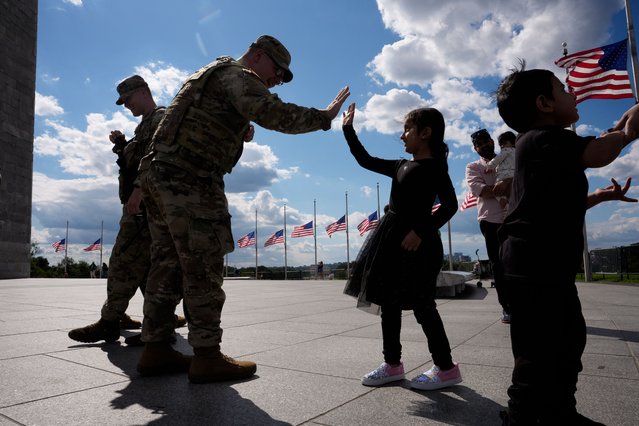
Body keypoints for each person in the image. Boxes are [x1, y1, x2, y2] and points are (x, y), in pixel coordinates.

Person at [135, 35, 350, 383]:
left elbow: (195, 119)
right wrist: (324, 117)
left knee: (167, 263)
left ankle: (155, 348)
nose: (277, 80)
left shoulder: (213, 72)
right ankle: (206, 355)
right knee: (204, 264)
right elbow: (274, 113)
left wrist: (235, 129)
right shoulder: (239, 75)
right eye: (278, 72)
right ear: (258, 56)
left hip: (160, 172)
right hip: (190, 177)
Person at [495, 63, 639, 425]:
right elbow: (601, 151)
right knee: (541, 352)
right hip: (533, 268)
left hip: (538, 266)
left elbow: (551, 205)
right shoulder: (544, 139)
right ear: (544, 103)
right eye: (563, 89)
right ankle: (523, 417)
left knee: (565, 342)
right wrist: (629, 132)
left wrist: (600, 197)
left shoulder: (544, 146)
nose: (573, 94)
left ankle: (559, 411)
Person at [342, 103, 461, 390]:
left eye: (407, 129)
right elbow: (365, 160)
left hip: (418, 244)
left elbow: (450, 205)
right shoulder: (400, 165)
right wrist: (348, 130)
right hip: (391, 240)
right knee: (389, 302)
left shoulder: (434, 168)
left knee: (423, 305)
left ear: (426, 132)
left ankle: (446, 368)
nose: (402, 135)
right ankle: (392, 364)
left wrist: (421, 230)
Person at [68, 75, 186, 344]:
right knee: (145, 270)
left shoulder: (160, 119)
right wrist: (122, 146)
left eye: (128, 99)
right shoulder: (145, 125)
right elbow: (136, 159)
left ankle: (110, 322)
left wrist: (138, 191)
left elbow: (158, 157)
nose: (126, 106)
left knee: (122, 262)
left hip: (144, 207)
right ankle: (158, 321)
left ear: (143, 92)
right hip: (142, 206)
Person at [465, 128, 511, 323]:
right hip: (490, 220)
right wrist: (503, 188)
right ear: (475, 148)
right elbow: (479, 189)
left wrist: (505, 185)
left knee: (520, 261)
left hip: (513, 217)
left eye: (487, 141)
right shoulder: (474, 167)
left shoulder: (507, 158)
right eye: (480, 144)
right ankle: (507, 307)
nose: (485, 145)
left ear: (493, 141)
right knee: (498, 264)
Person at [485, 131, 516, 209]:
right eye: (501, 145)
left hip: (504, 175)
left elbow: (497, 160)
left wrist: (489, 166)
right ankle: (508, 200)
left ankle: (503, 199)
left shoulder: (506, 150)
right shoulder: (517, 152)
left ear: (512, 143)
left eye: (504, 143)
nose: (502, 146)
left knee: (497, 188)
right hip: (514, 175)